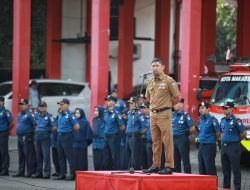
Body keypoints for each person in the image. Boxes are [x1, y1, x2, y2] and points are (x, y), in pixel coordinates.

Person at [143, 57, 181, 175]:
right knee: (155, 141)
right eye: (153, 66)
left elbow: (177, 97)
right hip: (153, 114)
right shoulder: (150, 81)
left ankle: (169, 166)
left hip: (164, 113)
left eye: (157, 65)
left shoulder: (169, 81)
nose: (154, 68)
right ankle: (156, 165)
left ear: (163, 67)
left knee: (167, 140)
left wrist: (168, 106)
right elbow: (148, 98)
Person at [220, 102, 247, 190]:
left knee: (235, 169)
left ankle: (237, 188)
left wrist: (235, 140)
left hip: (233, 147)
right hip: (224, 147)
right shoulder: (223, 120)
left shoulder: (236, 120)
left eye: (226, 108)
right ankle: (226, 187)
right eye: (223, 108)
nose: (224, 109)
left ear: (232, 109)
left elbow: (244, 133)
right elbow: (222, 132)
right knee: (225, 170)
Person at [53, 98, 79, 181]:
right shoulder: (60, 114)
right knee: (61, 156)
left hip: (67, 136)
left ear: (67, 105)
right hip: (59, 136)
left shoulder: (70, 114)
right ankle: (62, 173)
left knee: (69, 156)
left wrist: (70, 133)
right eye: (60, 104)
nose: (60, 106)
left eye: (62, 104)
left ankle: (72, 174)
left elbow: (77, 126)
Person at [32, 101, 57, 179]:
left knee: (46, 156)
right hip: (37, 137)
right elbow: (34, 125)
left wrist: (47, 132)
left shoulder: (49, 116)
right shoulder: (36, 115)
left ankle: (46, 173)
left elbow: (54, 127)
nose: (42, 107)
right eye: (40, 106)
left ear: (46, 107)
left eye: (43, 106)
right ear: (38, 107)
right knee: (38, 155)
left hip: (45, 138)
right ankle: (39, 172)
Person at [13, 99, 36, 178]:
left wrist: (31, 135)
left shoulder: (30, 114)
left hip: (26, 136)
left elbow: (35, 124)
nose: (21, 106)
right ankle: (21, 171)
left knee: (28, 154)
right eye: (20, 104)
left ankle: (29, 171)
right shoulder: (20, 114)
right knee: (21, 155)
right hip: (19, 137)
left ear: (26, 105)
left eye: (23, 104)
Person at [197, 101, 220, 176]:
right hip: (201, 145)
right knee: (201, 168)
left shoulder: (213, 120)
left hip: (209, 146)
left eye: (203, 108)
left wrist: (213, 140)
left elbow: (218, 133)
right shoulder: (200, 119)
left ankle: (212, 186)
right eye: (200, 108)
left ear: (208, 109)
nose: (200, 110)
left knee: (210, 168)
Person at [172, 98, 195, 173]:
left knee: (185, 160)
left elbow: (192, 128)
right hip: (174, 139)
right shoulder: (172, 115)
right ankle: (177, 179)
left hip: (182, 139)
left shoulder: (186, 115)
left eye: (176, 103)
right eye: (174, 103)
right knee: (175, 161)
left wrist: (185, 134)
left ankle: (188, 177)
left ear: (182, 104)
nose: (174, 105)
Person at [103, 95, 125, 170]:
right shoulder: (105, 112)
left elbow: (122, 126)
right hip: (106, 136)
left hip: (114, 136)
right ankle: (107, 171)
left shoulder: (116, 113)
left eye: (108, 100)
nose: (106, 102)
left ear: (113, 102)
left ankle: (116, 170)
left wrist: (115, 131)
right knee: (106, 155)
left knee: (115, 155)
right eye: (106, 100)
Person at [125, 96, 145, 170]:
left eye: (132, 103)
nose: (130, 105)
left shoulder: (139, 113)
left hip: (135, 136)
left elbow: (145, 126)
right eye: (129, 103)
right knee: (128, 153)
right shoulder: (129, 113)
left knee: (135, 155)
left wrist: (140, 134)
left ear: (136, 104)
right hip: (128, 136)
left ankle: (137, 169)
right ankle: (130, 169)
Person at [0, 96, 14, 176]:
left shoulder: (6, 111)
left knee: (3, 151)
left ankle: (5, 169)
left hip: (3, 133)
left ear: (2, 102)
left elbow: (12, 123)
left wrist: (7, 130)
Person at [92, 106, 105, 170]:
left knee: (102, 161)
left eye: (97, 111)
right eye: (95, 110)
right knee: (96, 161)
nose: (95, 112)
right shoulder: (94, 119)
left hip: (102, 143)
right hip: (95, 144)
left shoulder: (104, 119)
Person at [139, 101, 151, 169]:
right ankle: (144, 170)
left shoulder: (152, 117)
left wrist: (143, 132)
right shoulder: (140, 118)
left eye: (144, 108)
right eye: (141, 108)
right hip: (142, 140)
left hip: (149, 140)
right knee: (143, 158)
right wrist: (141, 133)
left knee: (149, 158)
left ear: (149, 108)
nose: (142, 109)